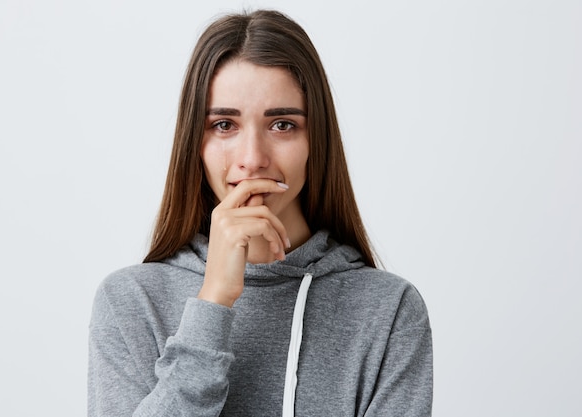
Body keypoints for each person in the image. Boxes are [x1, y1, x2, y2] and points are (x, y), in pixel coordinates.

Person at [88, 9, 433, 417]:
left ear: (315, 142)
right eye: (223, 125)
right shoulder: (131, 301)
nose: (252, 159)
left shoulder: (389, 310)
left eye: (283, 125)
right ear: (194, 143)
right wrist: (213, 301)